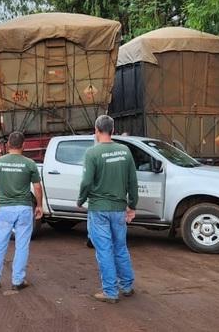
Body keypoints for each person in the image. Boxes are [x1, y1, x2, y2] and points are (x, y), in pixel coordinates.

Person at [77, 115, 139, 304]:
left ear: (96, 130)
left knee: (104, 249)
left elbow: (87, 181)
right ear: (112, 130)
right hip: (119, 209)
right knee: (120, 247)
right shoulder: (125, 151)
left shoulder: (92, 153)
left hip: (99, 210)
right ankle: (127, 286)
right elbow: (132, 182)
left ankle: (110, 292)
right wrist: (132, 205)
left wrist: (81, 199)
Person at [0, 131, 43, 291]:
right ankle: (18, 280)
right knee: (22, 244)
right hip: (24, 208)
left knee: (0, 243)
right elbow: (37, 187)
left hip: (4, 208)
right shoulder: (30, 164)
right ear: (23, 145)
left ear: (8, 145)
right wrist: (39, 206)